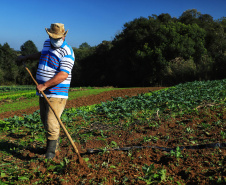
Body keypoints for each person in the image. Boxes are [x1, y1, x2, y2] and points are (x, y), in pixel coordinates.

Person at [17, 23, 75, 159]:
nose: (54, 39)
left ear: (64, 36)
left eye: (57, 37)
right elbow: (41, 54)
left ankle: (51, 153)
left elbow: (63, 75)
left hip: (57, 91)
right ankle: (53, 146)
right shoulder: (47, 43)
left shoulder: (67, 52)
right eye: (52, 37)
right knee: (45, 120)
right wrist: (26, 57)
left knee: (51, 121)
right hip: (44, 91)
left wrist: (45, 85)